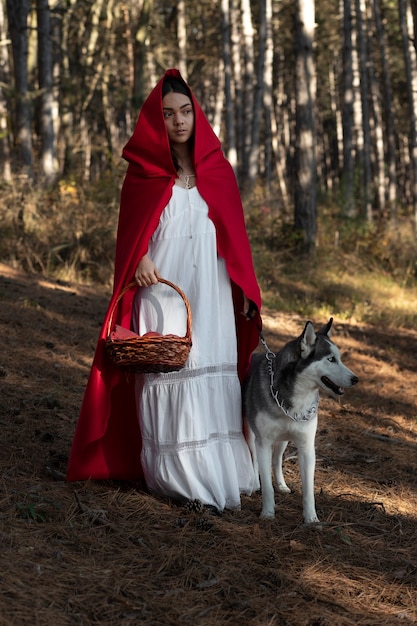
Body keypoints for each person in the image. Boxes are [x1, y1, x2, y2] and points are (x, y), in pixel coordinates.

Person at [67, 68, 262, 512]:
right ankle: (176, 474)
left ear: (197, 115)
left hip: (210, 292)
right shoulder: (144, 176)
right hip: (163, 288)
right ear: (156, 122)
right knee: (169, 368)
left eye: (186, 111)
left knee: (211, 365)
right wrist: (138, 259)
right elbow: (132, 237)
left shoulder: (219, 172)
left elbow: (235, 238)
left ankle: (219, 468)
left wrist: (247, 289)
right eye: (169, 114)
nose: (178, 121)